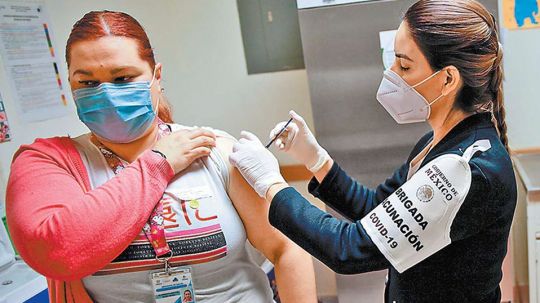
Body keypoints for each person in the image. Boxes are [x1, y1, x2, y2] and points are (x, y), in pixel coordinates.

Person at [6, 11, 316, 303]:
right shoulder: (51, 162)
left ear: (156, 75)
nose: (106, 93)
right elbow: (55, 249)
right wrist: (158, 163)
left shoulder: (211, 149)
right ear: (70, 84)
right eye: (87, 82)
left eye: (123, 78)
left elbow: (286, 249)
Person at [229, 0, 517, 302]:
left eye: (404, 65)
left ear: (447, 79)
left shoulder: (466, 169)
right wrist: (316, 160)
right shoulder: (437, 144)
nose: (391, 73)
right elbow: (376, 208)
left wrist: (270, 184)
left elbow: (348, 249)